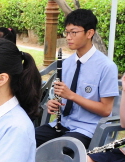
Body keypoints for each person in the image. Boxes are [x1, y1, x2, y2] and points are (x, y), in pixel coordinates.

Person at [36, 8, 118, 149]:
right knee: (27, 140)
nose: (68, 37)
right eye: (67, 32)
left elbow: (105, 110)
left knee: (59, 150)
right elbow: (61, 97)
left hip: (87, 129)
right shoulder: (67, 64)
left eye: (74, 32)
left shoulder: (106, 67)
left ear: (89, 33)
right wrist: (53, 104)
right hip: (62, 124)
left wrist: (72, 96)